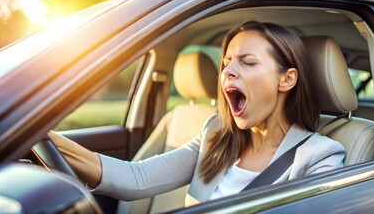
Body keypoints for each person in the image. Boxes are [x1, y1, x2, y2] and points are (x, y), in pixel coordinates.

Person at [49, 21, 345, 206]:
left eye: (248, 62)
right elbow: (136, 179)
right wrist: (42, 137)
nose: (227, 70)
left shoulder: (321, 156)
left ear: (287, 79)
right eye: (227, 62)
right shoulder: (215, 134)